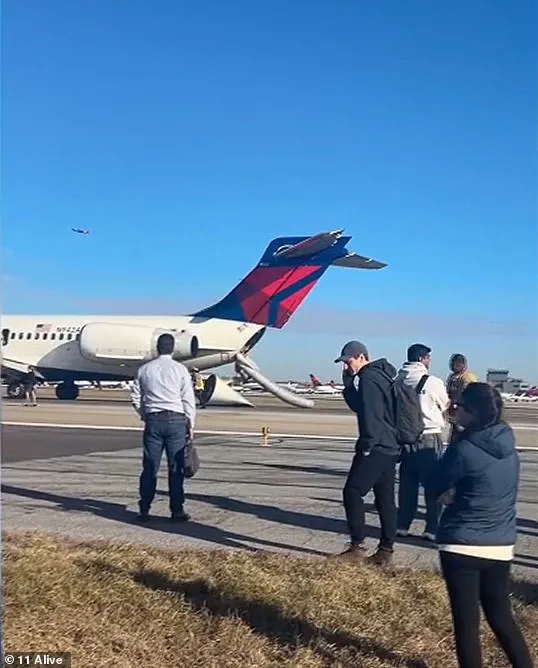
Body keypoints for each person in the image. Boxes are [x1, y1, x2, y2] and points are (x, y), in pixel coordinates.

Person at [435, 383, 533, 668]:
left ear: (473, 413)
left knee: (467, 625)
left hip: (461, 544)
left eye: (460, 407)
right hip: (500, 545)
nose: (456, 411)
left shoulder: (463, 449)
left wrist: (449, 494)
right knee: (502, 617)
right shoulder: (510, 450)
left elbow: (437, 485)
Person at [332, 340, 399, 566]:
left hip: (376, 446)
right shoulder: (381, 375)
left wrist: (367, 446)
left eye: (348, 362)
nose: (346, 367)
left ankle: (357, 546)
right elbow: (362, 407)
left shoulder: (369, 378)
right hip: (390, 446)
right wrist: (349, 386)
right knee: (385, 499)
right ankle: (386, 550)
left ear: (361, 357)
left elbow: (371, 414)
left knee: (352, 491)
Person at [131, 333, 196, 522]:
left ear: (157, 347)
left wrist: (144, 413)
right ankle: (176, 510)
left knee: (150, 466)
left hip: (154, 420)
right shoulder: (180, 369)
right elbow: (187, 398)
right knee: (176, 468)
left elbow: (135, 396)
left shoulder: (145, 369)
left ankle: (144, 508)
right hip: (176, 420)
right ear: (172, 348)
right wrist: (190, 423)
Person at [396, 344, 449, 541]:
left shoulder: (398, 379)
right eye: (427, 358)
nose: (429, 362)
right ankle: (432, 528)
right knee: (433, 485)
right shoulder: (432, 381)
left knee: (407, 485)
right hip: (429, 437)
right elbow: (445, 404)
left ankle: (402, 525)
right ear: (421, 359)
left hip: (405, 439)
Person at [446, 354, 477, 444]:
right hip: (455, 415)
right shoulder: (452, 378)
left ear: (463, 365)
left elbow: (471, 396)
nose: (454, 366)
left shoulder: (468, 378)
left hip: (465, 415)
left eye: (458, 364)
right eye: (454, 364)